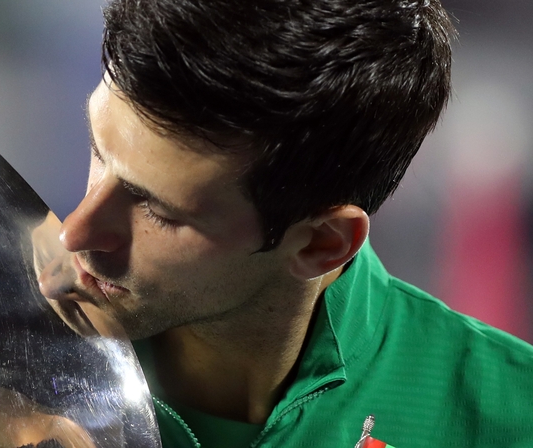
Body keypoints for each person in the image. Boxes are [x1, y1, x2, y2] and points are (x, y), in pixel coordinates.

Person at [38, 0, 533, 446]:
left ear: (321, 243)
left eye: (159, 211)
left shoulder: (511, 417)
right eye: (99, 152)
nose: (74, 233)